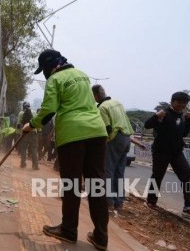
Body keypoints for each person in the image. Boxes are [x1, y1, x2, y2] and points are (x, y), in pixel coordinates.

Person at [22, 49, 109, 250]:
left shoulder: (54, 79)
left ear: (48, 66)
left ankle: (69, 230)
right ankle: (101, 237)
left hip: (73, 134)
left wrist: (31, 125)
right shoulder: (82, 75)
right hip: (97, 131)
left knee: (71, 184)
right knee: (97, 184)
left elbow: (49, 109)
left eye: (43, 69)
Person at [144, 91, 190, 219]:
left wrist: (188, 121)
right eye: (179, 102)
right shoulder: (164, 113)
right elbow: (147, 125)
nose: (181, 105)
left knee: (187, 176)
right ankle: (151, 201)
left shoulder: (182, 116)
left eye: (184, 103)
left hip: (176, 151)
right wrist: (156, 116)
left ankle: (188, 207)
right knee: (158, 176)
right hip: (161, 151)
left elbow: (183, 134)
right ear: (172, 101)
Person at [91, 84, 146, 211]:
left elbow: (107, 129)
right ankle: (118, 202)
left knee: (108, 170)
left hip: (114, 139)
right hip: (126, 138)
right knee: (119, 172)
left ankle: (108, 202)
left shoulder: (102, 108)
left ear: (96, 95)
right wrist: (136, 141)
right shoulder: (117, 103)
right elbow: (125, 123)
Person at [17, 101, 39, 170]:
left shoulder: (21, 113)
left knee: (23, 149)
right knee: (34, 149)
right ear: (30, 106)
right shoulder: (34, 112)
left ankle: (23, 164)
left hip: (25, 133)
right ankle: (35, 165)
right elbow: (37, 124)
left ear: (23, 107)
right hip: (33, 133)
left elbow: (18, 125)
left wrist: (20, 130)